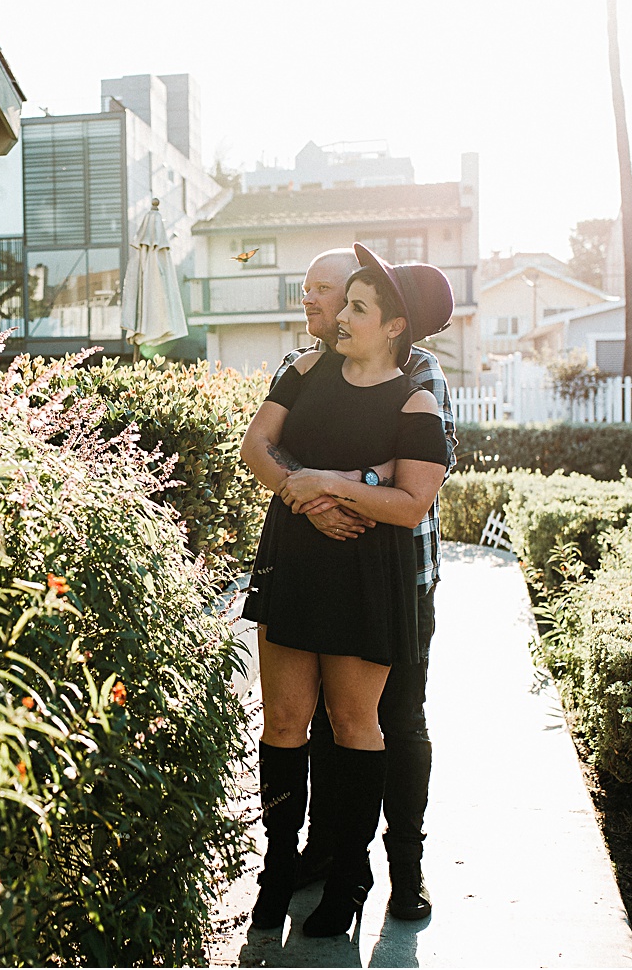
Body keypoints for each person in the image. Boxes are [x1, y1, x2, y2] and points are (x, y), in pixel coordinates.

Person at [238, 243, 453, 935]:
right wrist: (307, 499)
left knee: (386, 723)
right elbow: (263, 449)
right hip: (297, 561)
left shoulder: (420, 383)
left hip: (382, 574)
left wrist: (332, 487)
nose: (325, 308)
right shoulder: (302, 368)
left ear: (394, 322)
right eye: (336, 297)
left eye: (346, 298)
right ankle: (294, 861)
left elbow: (402, 488)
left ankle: (390, 869)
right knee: (291, 723)